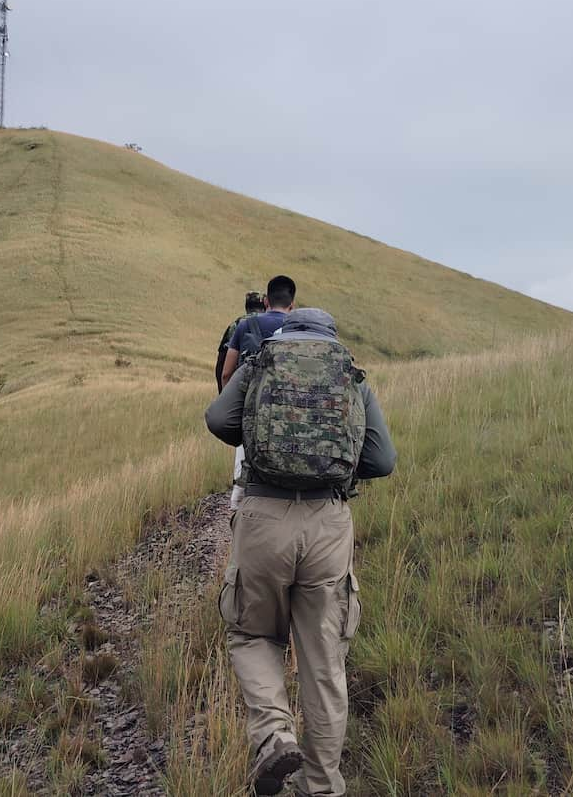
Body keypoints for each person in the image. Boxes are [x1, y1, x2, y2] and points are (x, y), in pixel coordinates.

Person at [204, 308, 396, 797]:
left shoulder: (262, 362)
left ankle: (274, 735)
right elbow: (382, 459)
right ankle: (322, 786)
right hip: (328, 526)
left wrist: (256, 431)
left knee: (251, 633)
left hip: (263, 516)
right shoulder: (348, 373)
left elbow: (218, 418)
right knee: (324, 663)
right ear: (330, 337)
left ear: (285, 331)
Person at [221, 276, 297, 510]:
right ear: (292, 305)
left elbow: (226, 372)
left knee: (243, 465)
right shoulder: (296, 328)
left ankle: (239, 510)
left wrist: (230, 401)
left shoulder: (244, 325)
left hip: (249, 407)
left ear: (266, 301)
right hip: (285, 409)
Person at [216, 290, 267, 393]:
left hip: (239, 384)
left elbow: (222, 360)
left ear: (246, 307)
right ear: (265, 305)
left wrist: (222, 393)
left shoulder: (236, 324)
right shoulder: (270, 322)